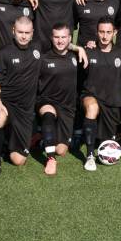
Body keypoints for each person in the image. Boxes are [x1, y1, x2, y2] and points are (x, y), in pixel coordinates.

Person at [0, 17, 42, 181]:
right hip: (6, 102)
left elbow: (62, 43)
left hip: (25, 110)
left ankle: (4, 140)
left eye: (27, 33)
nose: (23, 36)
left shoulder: (38, 49)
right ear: (13, 32)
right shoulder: (3, 54)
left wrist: (79, 48)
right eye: (20, 32)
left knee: (19, 160)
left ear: (32, 34)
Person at [36, 23, 87, 175]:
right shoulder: (43, 58)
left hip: (67, 106)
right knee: (48, 114)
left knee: (61, 150)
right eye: (56, 37)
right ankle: (51, 159)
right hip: (47, 101)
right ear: (51, 38)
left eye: (63, 37)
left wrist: (79, 48)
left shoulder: (76, 57)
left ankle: (41, 138)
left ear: (70, 38)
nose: (60, 41)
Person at [79, 16, 121, 171]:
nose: (104, 36)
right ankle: (89, 156)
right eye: (101, 32)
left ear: (115, 32)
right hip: (90, 96)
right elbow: (63, 43)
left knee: (107, 142)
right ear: (97, 32)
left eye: (108, 32)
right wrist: (79, 47)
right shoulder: (88, 51)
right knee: (92, 107)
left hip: (112, 103)